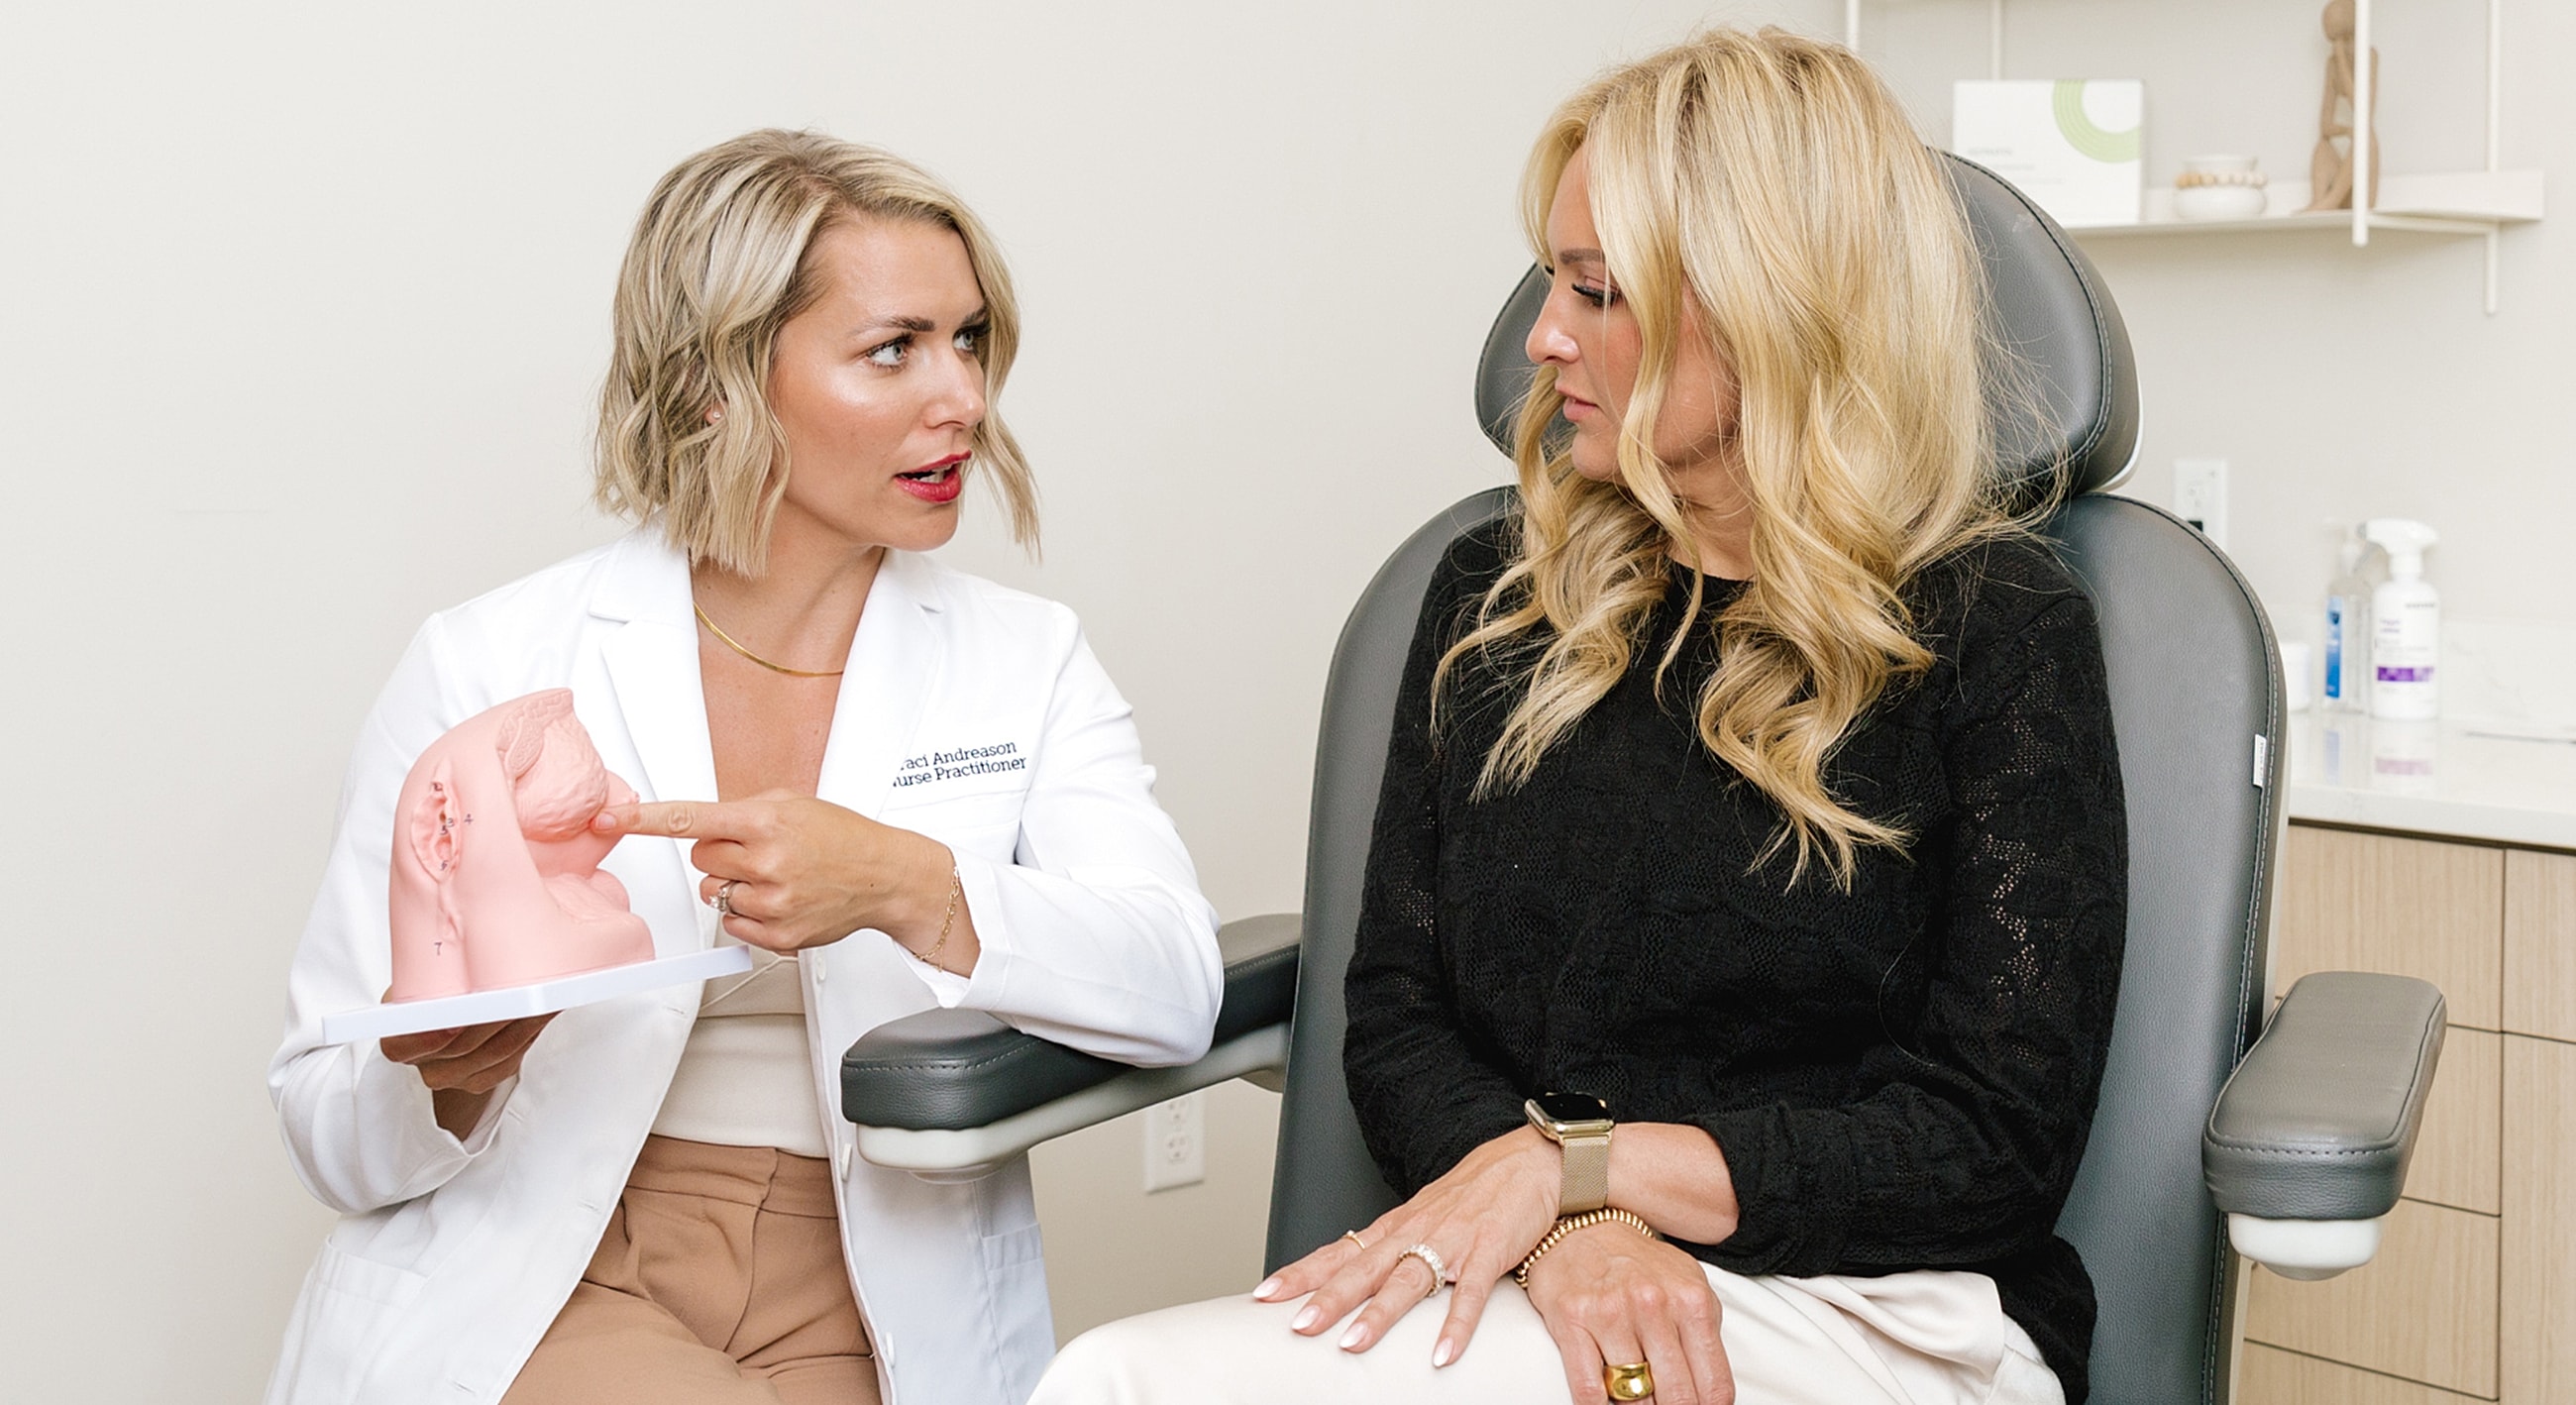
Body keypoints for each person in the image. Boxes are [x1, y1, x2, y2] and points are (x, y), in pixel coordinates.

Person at [1029, 28, 2122, 1405]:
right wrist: (1574, 1221)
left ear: (1775, 310)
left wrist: (1581, 1171)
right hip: (1541, 1274)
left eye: (1599, 291)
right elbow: (1397, 1013)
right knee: (1117, 1375)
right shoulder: (1498, 597)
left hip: (1875, 1309)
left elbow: (1991, 1139)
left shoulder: (1994, 627)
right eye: (1556, 279)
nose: (1545, 336)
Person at [267, 130, 1224, 1405]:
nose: (964, 398)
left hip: (873, 1279)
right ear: (721, 381)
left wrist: (909, 884)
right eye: (894, 347)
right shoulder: (490, 658)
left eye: (969, 338)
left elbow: (1175, 984)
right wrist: (450, 1073)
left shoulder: (1024, 661)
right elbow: (327, 1125)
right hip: (560, 1259)